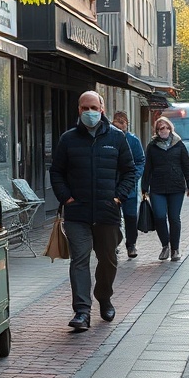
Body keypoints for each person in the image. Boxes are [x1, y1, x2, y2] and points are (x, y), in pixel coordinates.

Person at [50, 91, 136, 332]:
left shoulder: (117, 138)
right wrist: (66, 198)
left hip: (107, 212)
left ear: (102, 109)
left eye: (93, 107)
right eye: (85, 108)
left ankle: (104, 297)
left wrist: (118, 197)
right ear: (79, 110)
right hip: (77, 213)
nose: (90, 112)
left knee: (108, 260)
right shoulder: (68, 139)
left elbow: (129, 171)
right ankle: (82, 311)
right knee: (80, 260)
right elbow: (56, 171)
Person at [141, 116, 189, 262]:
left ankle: (175, 249)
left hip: (176, 186)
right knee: (159, 216)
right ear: (156, 131)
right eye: (160, 128)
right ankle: (165, 245)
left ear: (170, 129)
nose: (163, 130)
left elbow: (187, 165)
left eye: (166, 127)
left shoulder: (178, 144)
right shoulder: (152, 146)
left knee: (174, 218)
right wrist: (144, 188)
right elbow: (148, 168)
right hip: (157, 187)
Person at [111, 110, 145, 259]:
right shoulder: (109, 138)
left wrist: (134, 177)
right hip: (112, 186)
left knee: (130, 217)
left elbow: (140, 160)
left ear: (126, 124)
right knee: (114, 218)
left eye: (122, 123)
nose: (120, 127)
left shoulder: (133, 140)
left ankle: (131, 244)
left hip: (129, 187)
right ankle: (114, 244)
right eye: (117, 124)